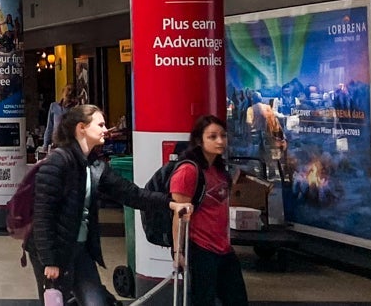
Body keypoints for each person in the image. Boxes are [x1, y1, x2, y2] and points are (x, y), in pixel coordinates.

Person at [29, 104, 189, 306]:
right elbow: (42, 216)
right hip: (54, 250)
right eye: (101, 124)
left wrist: (169, 203)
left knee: (96, 302)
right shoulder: (56, 163)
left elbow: (131, 194)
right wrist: (50, 260)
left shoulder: (95, 166)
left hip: (80, 249)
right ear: (82, 128)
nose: (106, 129)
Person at [172, 115, 251, 306]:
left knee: (237, 299)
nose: (220, 141)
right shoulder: (188, 171)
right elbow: (179, 214)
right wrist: (178, 251)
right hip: (201, 249)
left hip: (223, 247)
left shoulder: (219, 169)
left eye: (223, 136)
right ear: (199, 140)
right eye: (213, 136)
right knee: (203, 300)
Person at [43, 84, 78, 155]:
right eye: (68, 89)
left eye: (72, 91)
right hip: (56, 143)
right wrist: (45, 144)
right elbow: (50, 126)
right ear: (63, 91)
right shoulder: (54, 106)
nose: (70, 93)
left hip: (69, 143)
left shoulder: (75, 108)